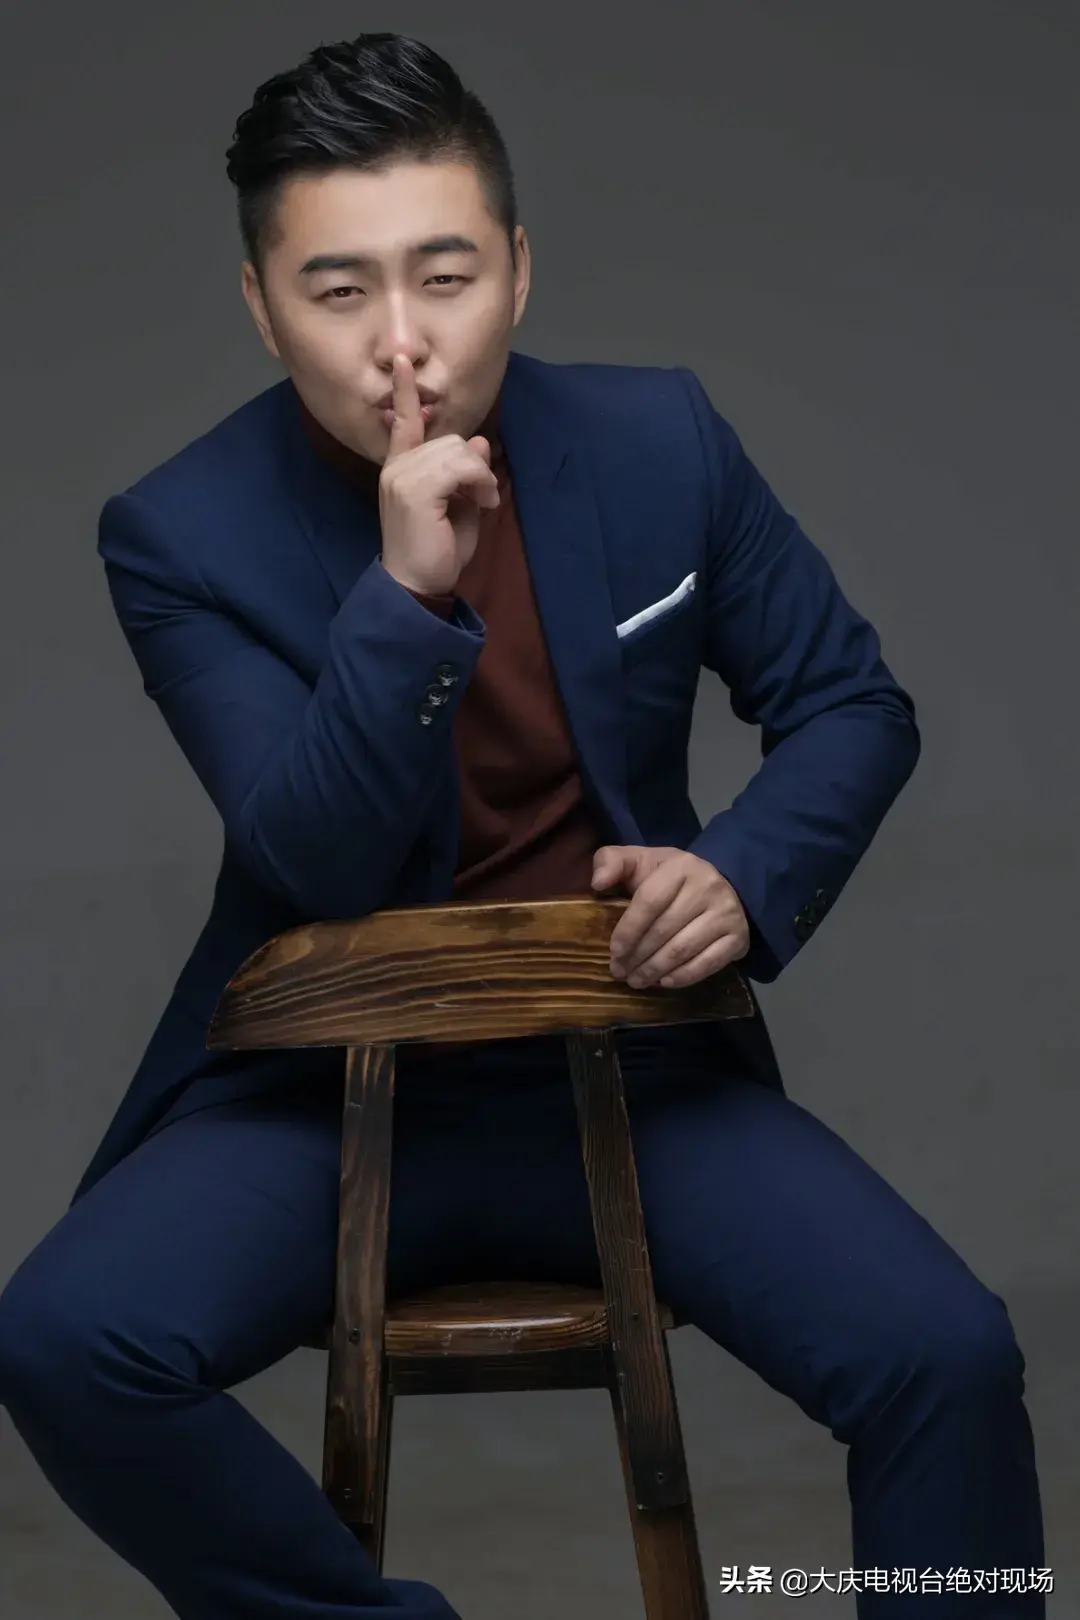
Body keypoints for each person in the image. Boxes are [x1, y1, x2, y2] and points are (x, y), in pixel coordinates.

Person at [0, 30, 1046, 1620]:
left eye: (446, 277)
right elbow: (311, 860)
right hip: (326, 1096)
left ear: (519, 271)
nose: (401, 343)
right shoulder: (179, 532)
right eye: (338, 291)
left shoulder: (661, 442)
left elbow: (851, 703)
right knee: (67, 1343)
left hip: (629, 1064)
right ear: (262, 308)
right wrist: (407, 594)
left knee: (950, 1358)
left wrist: (739, 875)